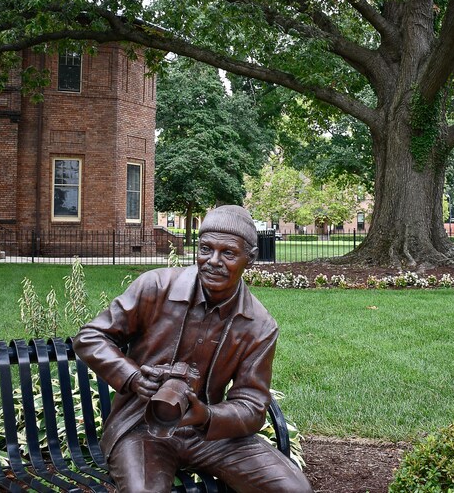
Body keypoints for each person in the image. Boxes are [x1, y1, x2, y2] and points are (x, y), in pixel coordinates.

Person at [74, 205, 312, 493]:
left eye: (228, 253)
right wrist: (134, 378)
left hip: (210, 434)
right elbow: (90, 337)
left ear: (249, 259)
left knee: (293, 489)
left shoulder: (259, 326)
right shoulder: (156, 286)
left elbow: (251, 406)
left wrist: (207, 416)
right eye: (205, 249)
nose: (213, 261)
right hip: (142, 428)